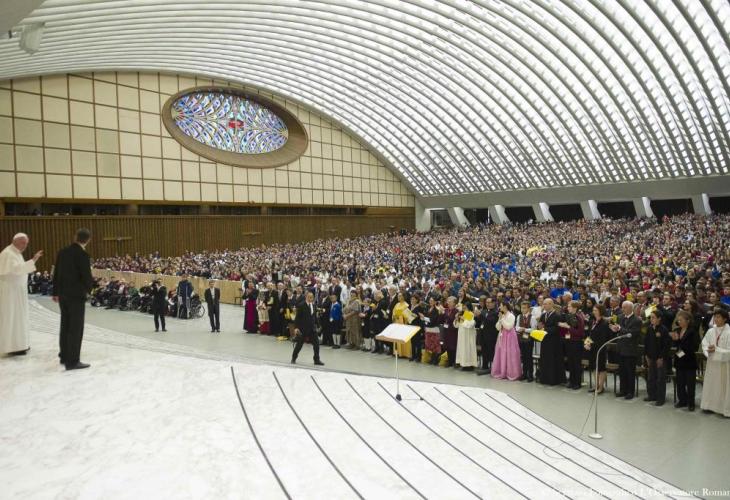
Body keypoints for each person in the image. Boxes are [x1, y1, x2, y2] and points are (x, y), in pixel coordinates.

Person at [52, 228, 94, 370]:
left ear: (75, 237)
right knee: (75, 328)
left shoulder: (63, 252)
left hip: (63, 294)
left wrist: (55, 292)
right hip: (76, 296)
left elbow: (56, 273)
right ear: (88, 240)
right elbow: (86, 276)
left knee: (65, 325)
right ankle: (73, 361)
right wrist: (89, 290)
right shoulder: (83, 254)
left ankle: (64, 356)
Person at [0, 233, 43, 356]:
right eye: (23, 243)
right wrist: (33, 260)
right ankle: (12, 347)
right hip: (10, 292)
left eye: (26, 243)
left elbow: (19, 269)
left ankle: (20, 345)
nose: (25, 246)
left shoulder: (16, 253)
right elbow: (16, 270)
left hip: (17, 291)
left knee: (19, 317)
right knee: (12, 317)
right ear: (16, 241)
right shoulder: (8, 253)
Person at [700, 309, 730, 416]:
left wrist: (716, 350)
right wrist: (708, 350)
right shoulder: (711, 331)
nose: (715, 319)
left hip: (724, 365)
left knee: (723, 386)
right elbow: (704, 344)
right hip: (712, 363)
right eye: (715, 317)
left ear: (725, 319)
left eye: (718, 317)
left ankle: (723, 409)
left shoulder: (729, 332)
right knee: (711, 384)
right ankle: (709, 405)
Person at [610, 301, 642, 400]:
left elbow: (632, 334)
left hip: (630, 349)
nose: (622, 309)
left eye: (624, 307)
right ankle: (622, 390)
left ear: (630, 308)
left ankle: (630, 392)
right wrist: (614, 329)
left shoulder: (637, 320)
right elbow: (618, 331)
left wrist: (620, 329)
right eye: (622, 307)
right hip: (621, 348)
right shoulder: (620, 317)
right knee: (622, 371)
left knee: (630, 372)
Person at [672, 310, 699, 411]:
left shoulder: (693, 331)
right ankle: (682, 400)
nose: (679, 322)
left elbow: (693, 347)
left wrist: (678, 342)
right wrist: (675, 341)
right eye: (678, 320)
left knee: (690, 384)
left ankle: (691, 403)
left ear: (688, 320)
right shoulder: (677, 330)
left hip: (689, 361)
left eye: (681, 320)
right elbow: (675, 345)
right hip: (679, 361)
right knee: (680, 382)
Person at [644, 309, 671, 406]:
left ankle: (660, 398)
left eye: (653, 317)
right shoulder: (649, 328)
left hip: (660, 358)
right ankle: (652, 395)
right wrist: (646, 355)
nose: (651, 319)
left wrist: (661, 358)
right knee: (651, 377)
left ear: (659, 319)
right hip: (650, 357)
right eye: (650, 317)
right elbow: (646, 343)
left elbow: (666, 346)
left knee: (660, 379)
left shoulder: (664, 330)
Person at [292, 292, 324, 366]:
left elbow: (314, 317)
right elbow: (297, 318)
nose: (311, 298)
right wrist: (296, 328)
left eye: (312, 297)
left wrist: (318, 325)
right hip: (302, 329)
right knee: (299, 345)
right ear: (306, 297)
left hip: (312, 329)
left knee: (316, 344)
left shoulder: (314, 305)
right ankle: (293, 358)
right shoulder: (301, 305)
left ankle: (316, 360)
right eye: (309, 297)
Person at [538, 298, 565, 385]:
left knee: (552, 361)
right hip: (545, 340)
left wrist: (544, 329)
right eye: (544, 304)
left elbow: (557, 328)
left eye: (546, 304)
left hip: (554, 342)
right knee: (544, 360)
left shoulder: (557, 315)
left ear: (551, 304)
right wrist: (539, 327)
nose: (544, 306)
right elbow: (540, 325)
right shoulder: (543, 315)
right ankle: (544, 378)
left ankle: (553, 380)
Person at [492, 301, 522, 380]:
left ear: (505, 306)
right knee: (501, 353)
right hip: (501, 336)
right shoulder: (502, 315)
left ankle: (511, 372)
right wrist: (500, 319)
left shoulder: (511, 315)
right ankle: (502, 371)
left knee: (509, 354)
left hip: (509, 337)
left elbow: (508, 327)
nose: (499, 307)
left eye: (501, 306)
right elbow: (497, 327)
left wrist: (502, 319)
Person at [559, 300, 585, 390]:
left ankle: (577, 382)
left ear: (575, 308)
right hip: (569, 341)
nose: (568, 308)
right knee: (570, 362)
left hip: (576, 342)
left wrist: (568, 327)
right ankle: (572, 381)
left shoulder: (579, 317)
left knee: (576, 363)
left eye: (569, 306)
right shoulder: (570, 316)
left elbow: (580, 332)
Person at [585, 305, 611, 394]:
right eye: (593, 310)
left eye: (596, 310)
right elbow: (590, 334)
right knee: (593, 367)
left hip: (600, 348)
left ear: (601, 311)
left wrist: (591, 344)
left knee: (601, 368)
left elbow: (603, 338)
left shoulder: (604, 323)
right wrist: (587, 343)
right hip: (592, 348)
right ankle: (596, 385)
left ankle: (601, 387)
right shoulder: (593, 321)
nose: (594, 312)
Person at [515, 301, 536, 382]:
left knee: (529, 357)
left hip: (529, 340)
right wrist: (519, 329)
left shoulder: (532, 317)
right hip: (521, 339)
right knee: (523, 357)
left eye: (524, 308)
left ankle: (530, 374)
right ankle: (524, 374)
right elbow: (516, 327)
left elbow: (533, 329)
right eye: (522, 308)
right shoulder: (519, 316)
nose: (522, 309)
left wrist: (525, 329)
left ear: (528, 309)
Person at [455, 303, 478, 371]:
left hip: (468, 335)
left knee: (468, 349)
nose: (464, 308)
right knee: (462, 349)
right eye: (463, 307)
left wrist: (463, 319)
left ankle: (469, 365)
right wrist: (457, 319)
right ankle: (463, 364)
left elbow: (470, 324)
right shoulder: (462, 313)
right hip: (461, 334)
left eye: (465, 307)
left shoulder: (470, 313)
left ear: (468, 307)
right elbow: (457, 325)